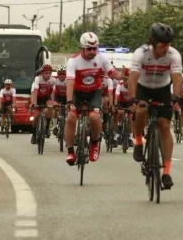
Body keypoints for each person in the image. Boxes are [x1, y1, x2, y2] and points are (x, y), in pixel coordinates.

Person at [127, 23, 183, 190]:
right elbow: (133, 77)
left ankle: (166, 172)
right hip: (143, 88)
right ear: (153, 42)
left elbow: (177, 77)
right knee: (142, 110)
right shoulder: (141, 54)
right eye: (162, 44)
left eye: (168, 44)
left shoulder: (174, 55)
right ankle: (138, 141)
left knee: (165, 126)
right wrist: (132, 98)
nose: (166, 48)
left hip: (163, 89)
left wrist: (176, 97)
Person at [64, 32, 125, 165]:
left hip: (94, 92)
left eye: (94, 48)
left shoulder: (101, 58)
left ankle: (95, 143)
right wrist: (69, 101)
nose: (92, 52)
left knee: (94, 117)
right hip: (77, 93)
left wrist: (124, 76)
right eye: (89, 49)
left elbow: (113, 73)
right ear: (82, 48)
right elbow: (70, 82)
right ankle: (70, 151)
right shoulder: (73, 61)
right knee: (71, 117)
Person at [29, 64, 54, 144]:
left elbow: (53, 92)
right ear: (42, 73)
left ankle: (47, 128)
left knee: (50, 108)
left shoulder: (53, 80)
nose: (48, 75)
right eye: (46, 73)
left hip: (46, 97)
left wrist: (53, 102)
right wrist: (34, 103)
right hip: (37, 97)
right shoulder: (38, 79)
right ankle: (34, 134)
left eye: (50, 73)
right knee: (36, 116)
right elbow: (34, 92)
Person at [51, 65, 67, 136]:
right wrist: (53, 102)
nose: (61, 75)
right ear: (57, 74)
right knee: (55, 108)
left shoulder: (68, 80)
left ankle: (66, 125)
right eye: (60, 74)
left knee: (68, 110)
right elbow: (53, 92)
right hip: (58, 96)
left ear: (65, 74)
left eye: (63, 74)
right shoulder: (55, 80)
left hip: (66, 97)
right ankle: (54, 127)